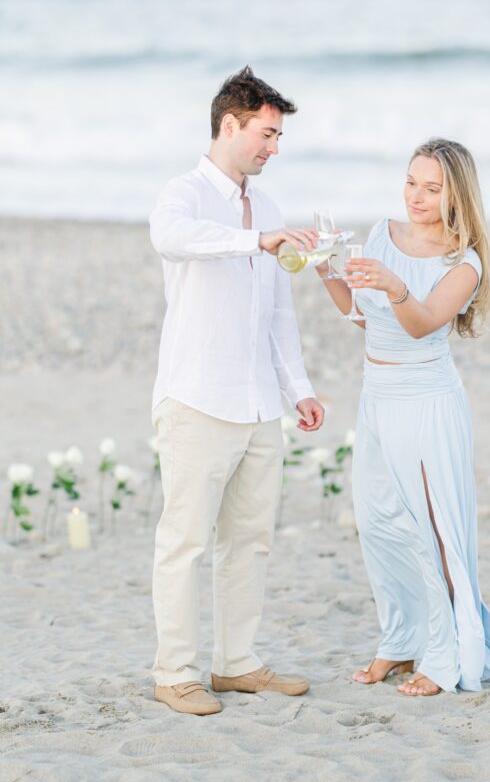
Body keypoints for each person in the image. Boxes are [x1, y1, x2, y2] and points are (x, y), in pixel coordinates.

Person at [316, 137, 490, 697]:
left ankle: (445, 654)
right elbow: (364, 317)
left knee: (431, 531)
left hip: (427, 403)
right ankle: (401, 641)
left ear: (456, 195)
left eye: (432, 189)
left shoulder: (465, 261)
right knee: (380, 524)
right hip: (375, 396)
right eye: (412, 182)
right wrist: (326, 271)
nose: (417, 197)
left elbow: (422, 321)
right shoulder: (382, 232)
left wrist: (395, 283)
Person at [149, 66, 325, 716]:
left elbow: (277, 310)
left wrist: (297, 389)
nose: (273, 147)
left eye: (277, 137)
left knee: (250, 540)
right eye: (267, 133)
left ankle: (237, 664)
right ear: (231, 123)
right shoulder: (184, 193)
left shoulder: (271, 208)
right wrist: (255, 240)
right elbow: (169, 238)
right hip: (197, 398)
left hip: (259, 405)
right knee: (184, 543)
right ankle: (175, 675)